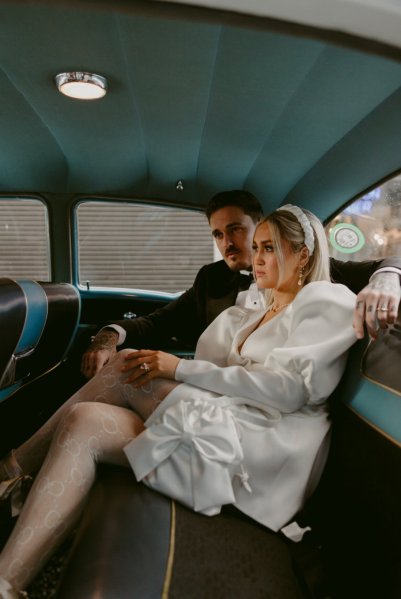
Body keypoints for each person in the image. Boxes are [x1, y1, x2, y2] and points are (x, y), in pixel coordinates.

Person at [0, 204, 357, 596]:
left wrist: (176, 369)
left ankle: (9, 471)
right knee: (83, 420)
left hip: (268, 447)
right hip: (233, 419)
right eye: (256, 248)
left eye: (268, 248)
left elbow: (288, 391)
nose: (255, 258)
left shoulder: (326, 300)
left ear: (303, 253)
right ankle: (8, 581)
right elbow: (208, 355)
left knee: (124, 367)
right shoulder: (260, 303)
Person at [81, 190, 401, 380]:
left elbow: (383, 263)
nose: (227, 243)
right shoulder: (211, 278)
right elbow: (158, 320)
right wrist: (109, 336)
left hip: (256, 399)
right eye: (218, 235)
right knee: (122, 368)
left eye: (235, 230)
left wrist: (387, 281)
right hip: (212, 383)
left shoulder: (309, 273)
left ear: (261, 226)